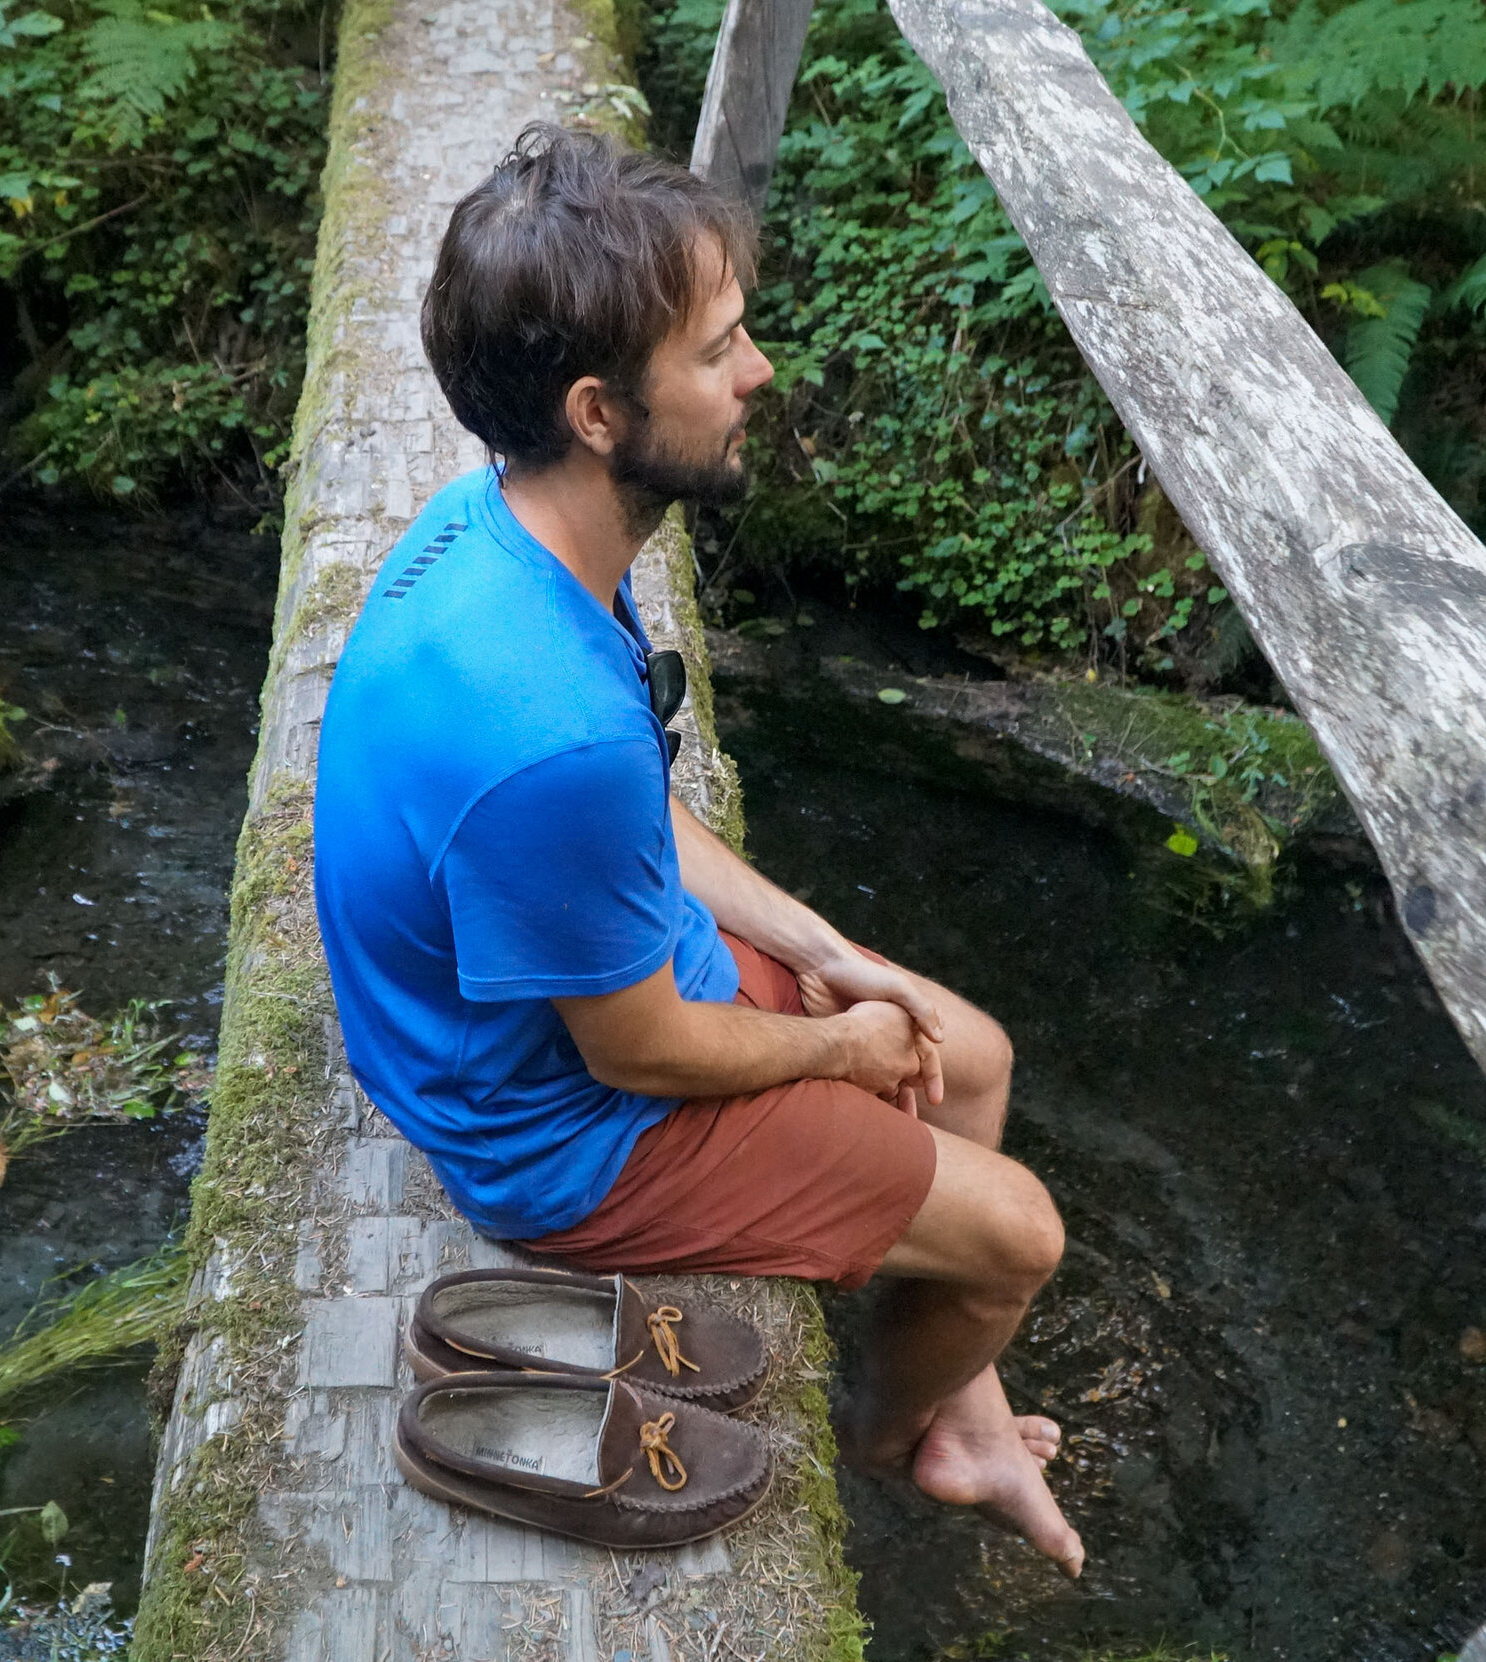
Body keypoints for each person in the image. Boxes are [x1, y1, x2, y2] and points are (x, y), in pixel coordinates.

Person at [312, 122, 1084, 1578]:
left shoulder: (504, 528)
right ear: (601, 410)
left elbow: (639, 821)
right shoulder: (546, 730)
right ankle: (880, 1437)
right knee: (1025, 1234)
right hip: (551, 1136)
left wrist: (823, 955)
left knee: (964, 1049)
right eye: (720, 348)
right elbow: (640, 1050)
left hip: (563, 997)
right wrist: (840, 1053)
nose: (760, 372)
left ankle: (962, 1413)